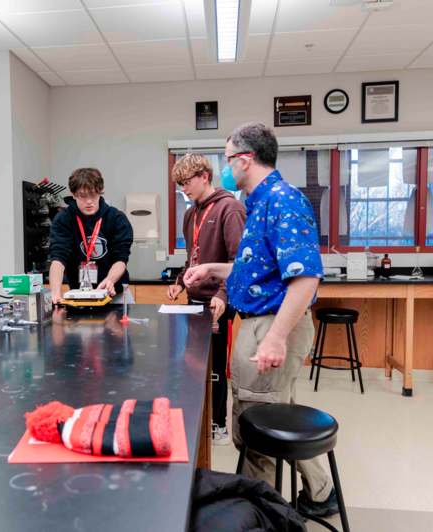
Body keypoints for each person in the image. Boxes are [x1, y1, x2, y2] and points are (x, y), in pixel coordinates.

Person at [183, 123, 339, 518]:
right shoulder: (258, 202)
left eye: (227, 158)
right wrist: (212, 270)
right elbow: (254, 267)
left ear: (245, 159)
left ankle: (262, 517)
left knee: (255, 431)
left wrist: (274, 338)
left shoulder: (283, 201)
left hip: (270, 323)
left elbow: (305, 278)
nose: (225, 167)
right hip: (259, 320)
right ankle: (320, 494)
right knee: (272, 412)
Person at [168, 153, 245, 445]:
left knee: (215, 367)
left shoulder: (231, 208)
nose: (184, 189)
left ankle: (219, 426)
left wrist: (223, 295)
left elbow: (239, 262)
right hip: (194, 300)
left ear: (204, 176)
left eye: (187, 182)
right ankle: (198, 419)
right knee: (193, 363)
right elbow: (193, 259)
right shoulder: (191, 214)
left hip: (219, 302)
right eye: (179, 185)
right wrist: (179, 283)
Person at [49, 168, 133, 304]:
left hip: (114, 295)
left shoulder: (117, 218)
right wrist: (55, 293)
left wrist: (110, 280)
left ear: (101, 191)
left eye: (93, 195)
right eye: (82, 196)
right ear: (73, 194)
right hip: (78, 296)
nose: (89, 201)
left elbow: (121, 259)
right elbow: (58, 259)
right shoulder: (63, 219)